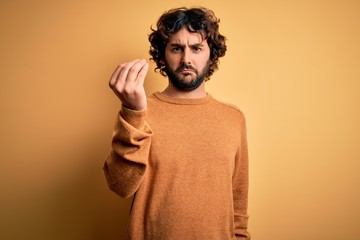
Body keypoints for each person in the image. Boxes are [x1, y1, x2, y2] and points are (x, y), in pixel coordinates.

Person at [104, 7, 250, 240]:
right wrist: (133, 111)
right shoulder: (140, 111)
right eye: (176, 48)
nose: (186, 59)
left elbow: (238, 207)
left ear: (211, 55)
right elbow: (120, 186)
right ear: (162, 56)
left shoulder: (233, 118)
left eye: (196, 48)